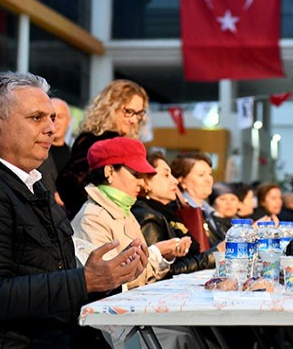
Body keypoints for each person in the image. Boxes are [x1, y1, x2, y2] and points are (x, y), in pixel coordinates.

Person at [0, 72, 149, 348]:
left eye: (52, 118)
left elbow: (54, 277)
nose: (51, 129)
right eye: (36, 118)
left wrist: (111, 277)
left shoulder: (30, 185)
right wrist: (86, 281)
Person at [71, 137, 188, 289]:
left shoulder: (124, 211)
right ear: (109, 171)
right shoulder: (92, 218)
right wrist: (156, 253)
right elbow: (107, 284)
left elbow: (139, 274)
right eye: (136, 175)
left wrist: (162, 256)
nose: (142, 182)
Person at [57, 79, 149, 219]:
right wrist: (95, 213)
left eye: (139, 114)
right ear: (111, 107)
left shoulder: (118, 140)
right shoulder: (95, 140)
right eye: (128, 112)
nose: (134, 120)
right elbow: (68, 181)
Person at [132, 151, 217, 276]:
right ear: (146, 182)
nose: (175, 181)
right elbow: (157, 271)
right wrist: (215, 254)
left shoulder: (167, 212)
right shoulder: (148, 216)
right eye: (166, 175)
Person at [171, 153, 226, 248]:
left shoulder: (209, 211)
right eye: (201, 175)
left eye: (210, 174)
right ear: (182, 181)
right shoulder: (181, 212)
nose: (209, 180)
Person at [37, 97, 72, 206]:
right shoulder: (35, 153)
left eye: (60, 117)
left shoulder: (77, 156)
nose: (55, 122)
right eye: (52, 117)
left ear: (69, 121)